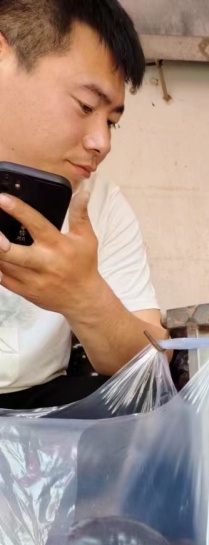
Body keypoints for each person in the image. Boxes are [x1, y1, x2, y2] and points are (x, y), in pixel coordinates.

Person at [0, 0, 168, 408]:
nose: (102, 143)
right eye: (86, 106)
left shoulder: (96, 204)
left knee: (149, 405)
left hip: (37, 414)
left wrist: (85, 297)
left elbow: (153, 361)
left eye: (111, 121)